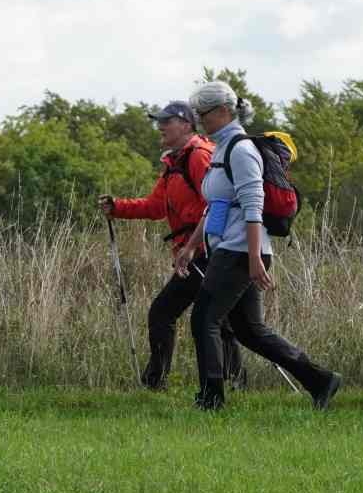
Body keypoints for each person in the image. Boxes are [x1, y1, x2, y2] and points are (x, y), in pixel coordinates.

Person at [173, 81, 342, 412]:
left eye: (203, 114)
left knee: (204, 319)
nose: (198, 120)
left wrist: (253, 257)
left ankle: (211, 399)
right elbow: (217, 205)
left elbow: (253, 204)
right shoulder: (221, 148)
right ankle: (320, 381)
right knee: (249, 331)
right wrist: (192, 245)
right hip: (233, 250)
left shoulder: (241, 149)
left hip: (241, 252)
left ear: (224, 111)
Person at [97, 101, 242, 389]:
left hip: (207, 251)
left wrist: (194, 246)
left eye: (167, 121)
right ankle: (232, 381)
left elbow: (217, 205)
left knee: (173, 313)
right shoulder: (174, 163)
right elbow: (154, 206)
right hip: (194, 253)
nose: (160, 126)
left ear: (187, 125)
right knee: (215, 318)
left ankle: (160, 382)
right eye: (158, 121)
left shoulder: (199, 157)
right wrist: (118, 207)